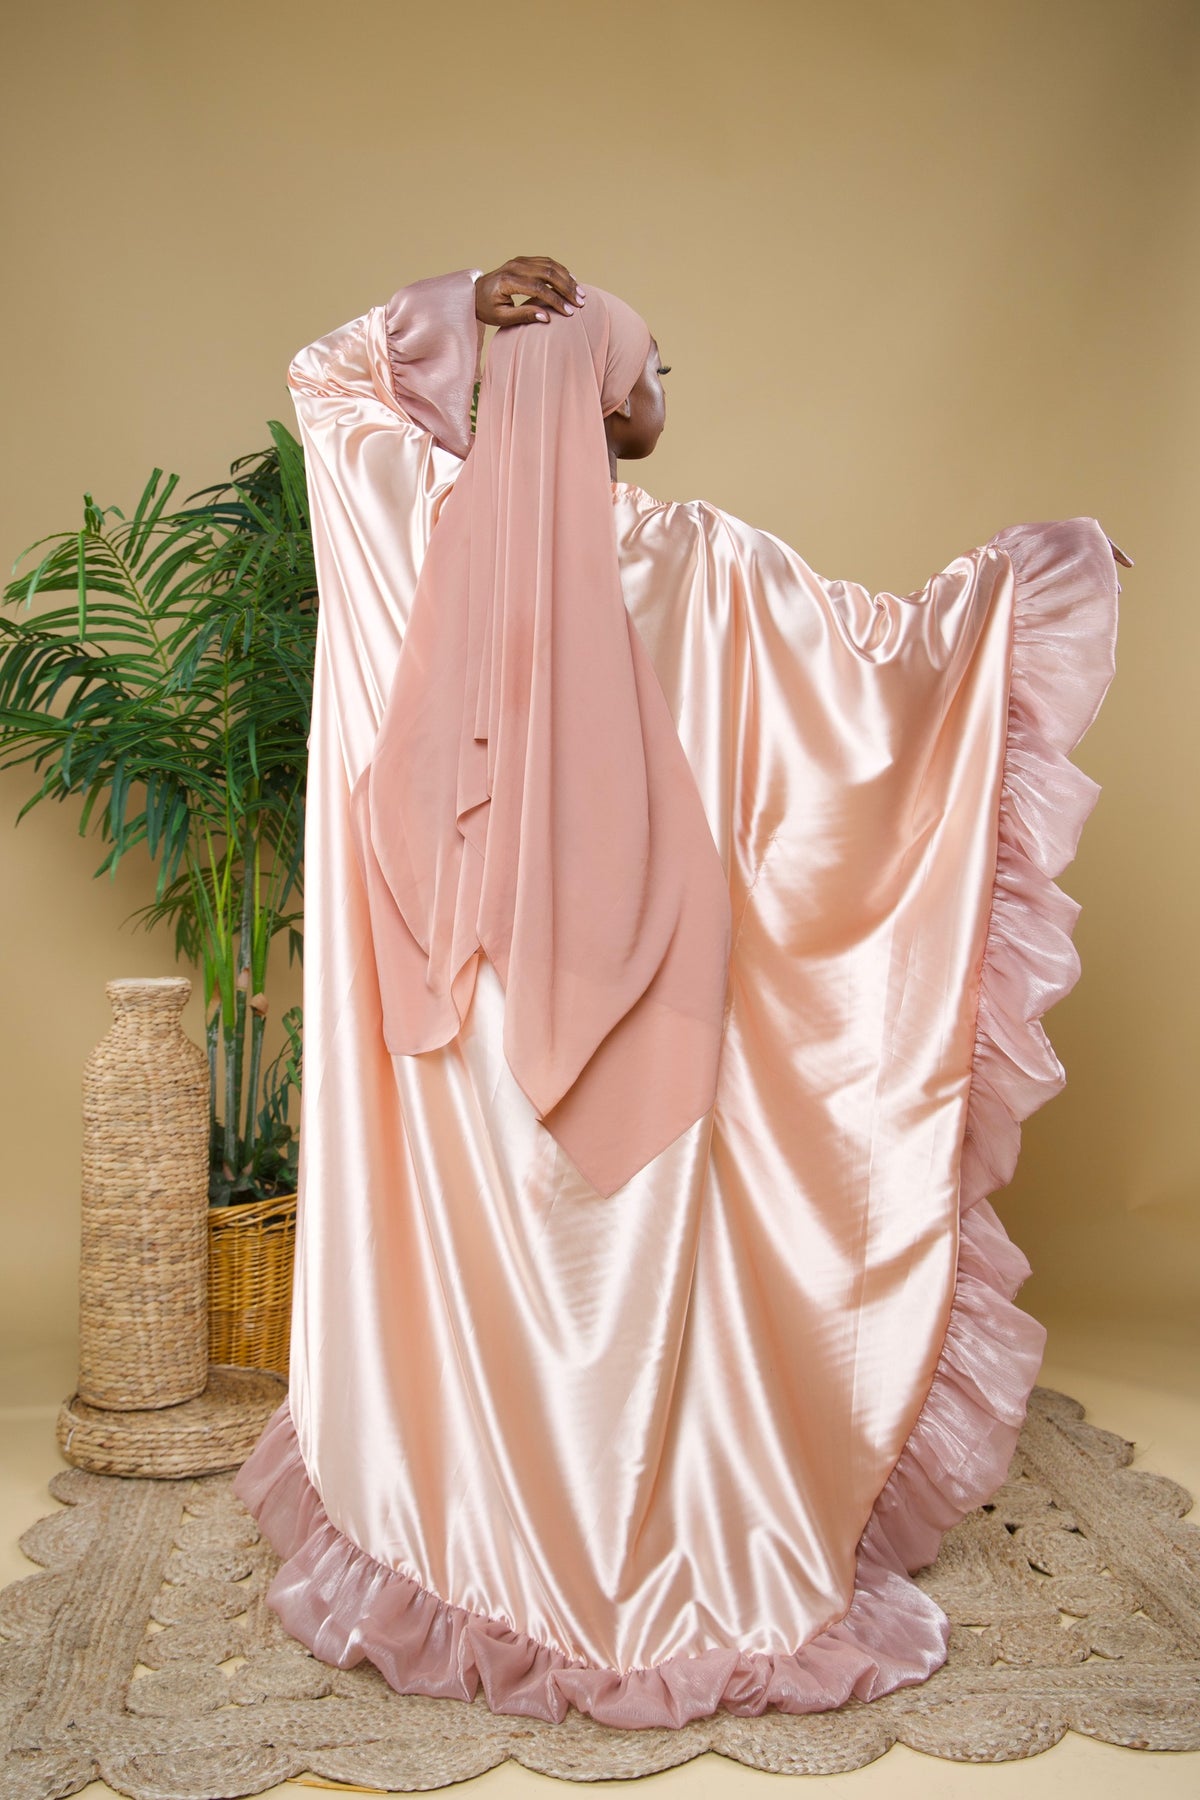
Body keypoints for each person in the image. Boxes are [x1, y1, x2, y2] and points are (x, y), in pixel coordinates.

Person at [233, 255, 1125, 1728]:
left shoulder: (407, 511)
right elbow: (879, 688)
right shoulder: (700, 561)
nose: (663, 397)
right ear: (606, 398)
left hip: (451, 1037)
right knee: (630, 1273)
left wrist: (467, 301)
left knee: (490, 1277)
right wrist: (1005, 611)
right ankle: (641, 1542)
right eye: (652, 371)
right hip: (644, 1012)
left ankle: (486, 1547)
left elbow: (331, 380)